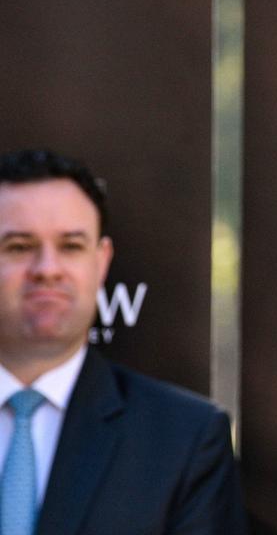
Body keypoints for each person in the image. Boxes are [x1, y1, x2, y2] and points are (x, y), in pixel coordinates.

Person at [0, 148, 249, 535]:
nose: (47, 269)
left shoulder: (186, 440)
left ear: (101, 261)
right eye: (19, 246)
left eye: (71, 246)